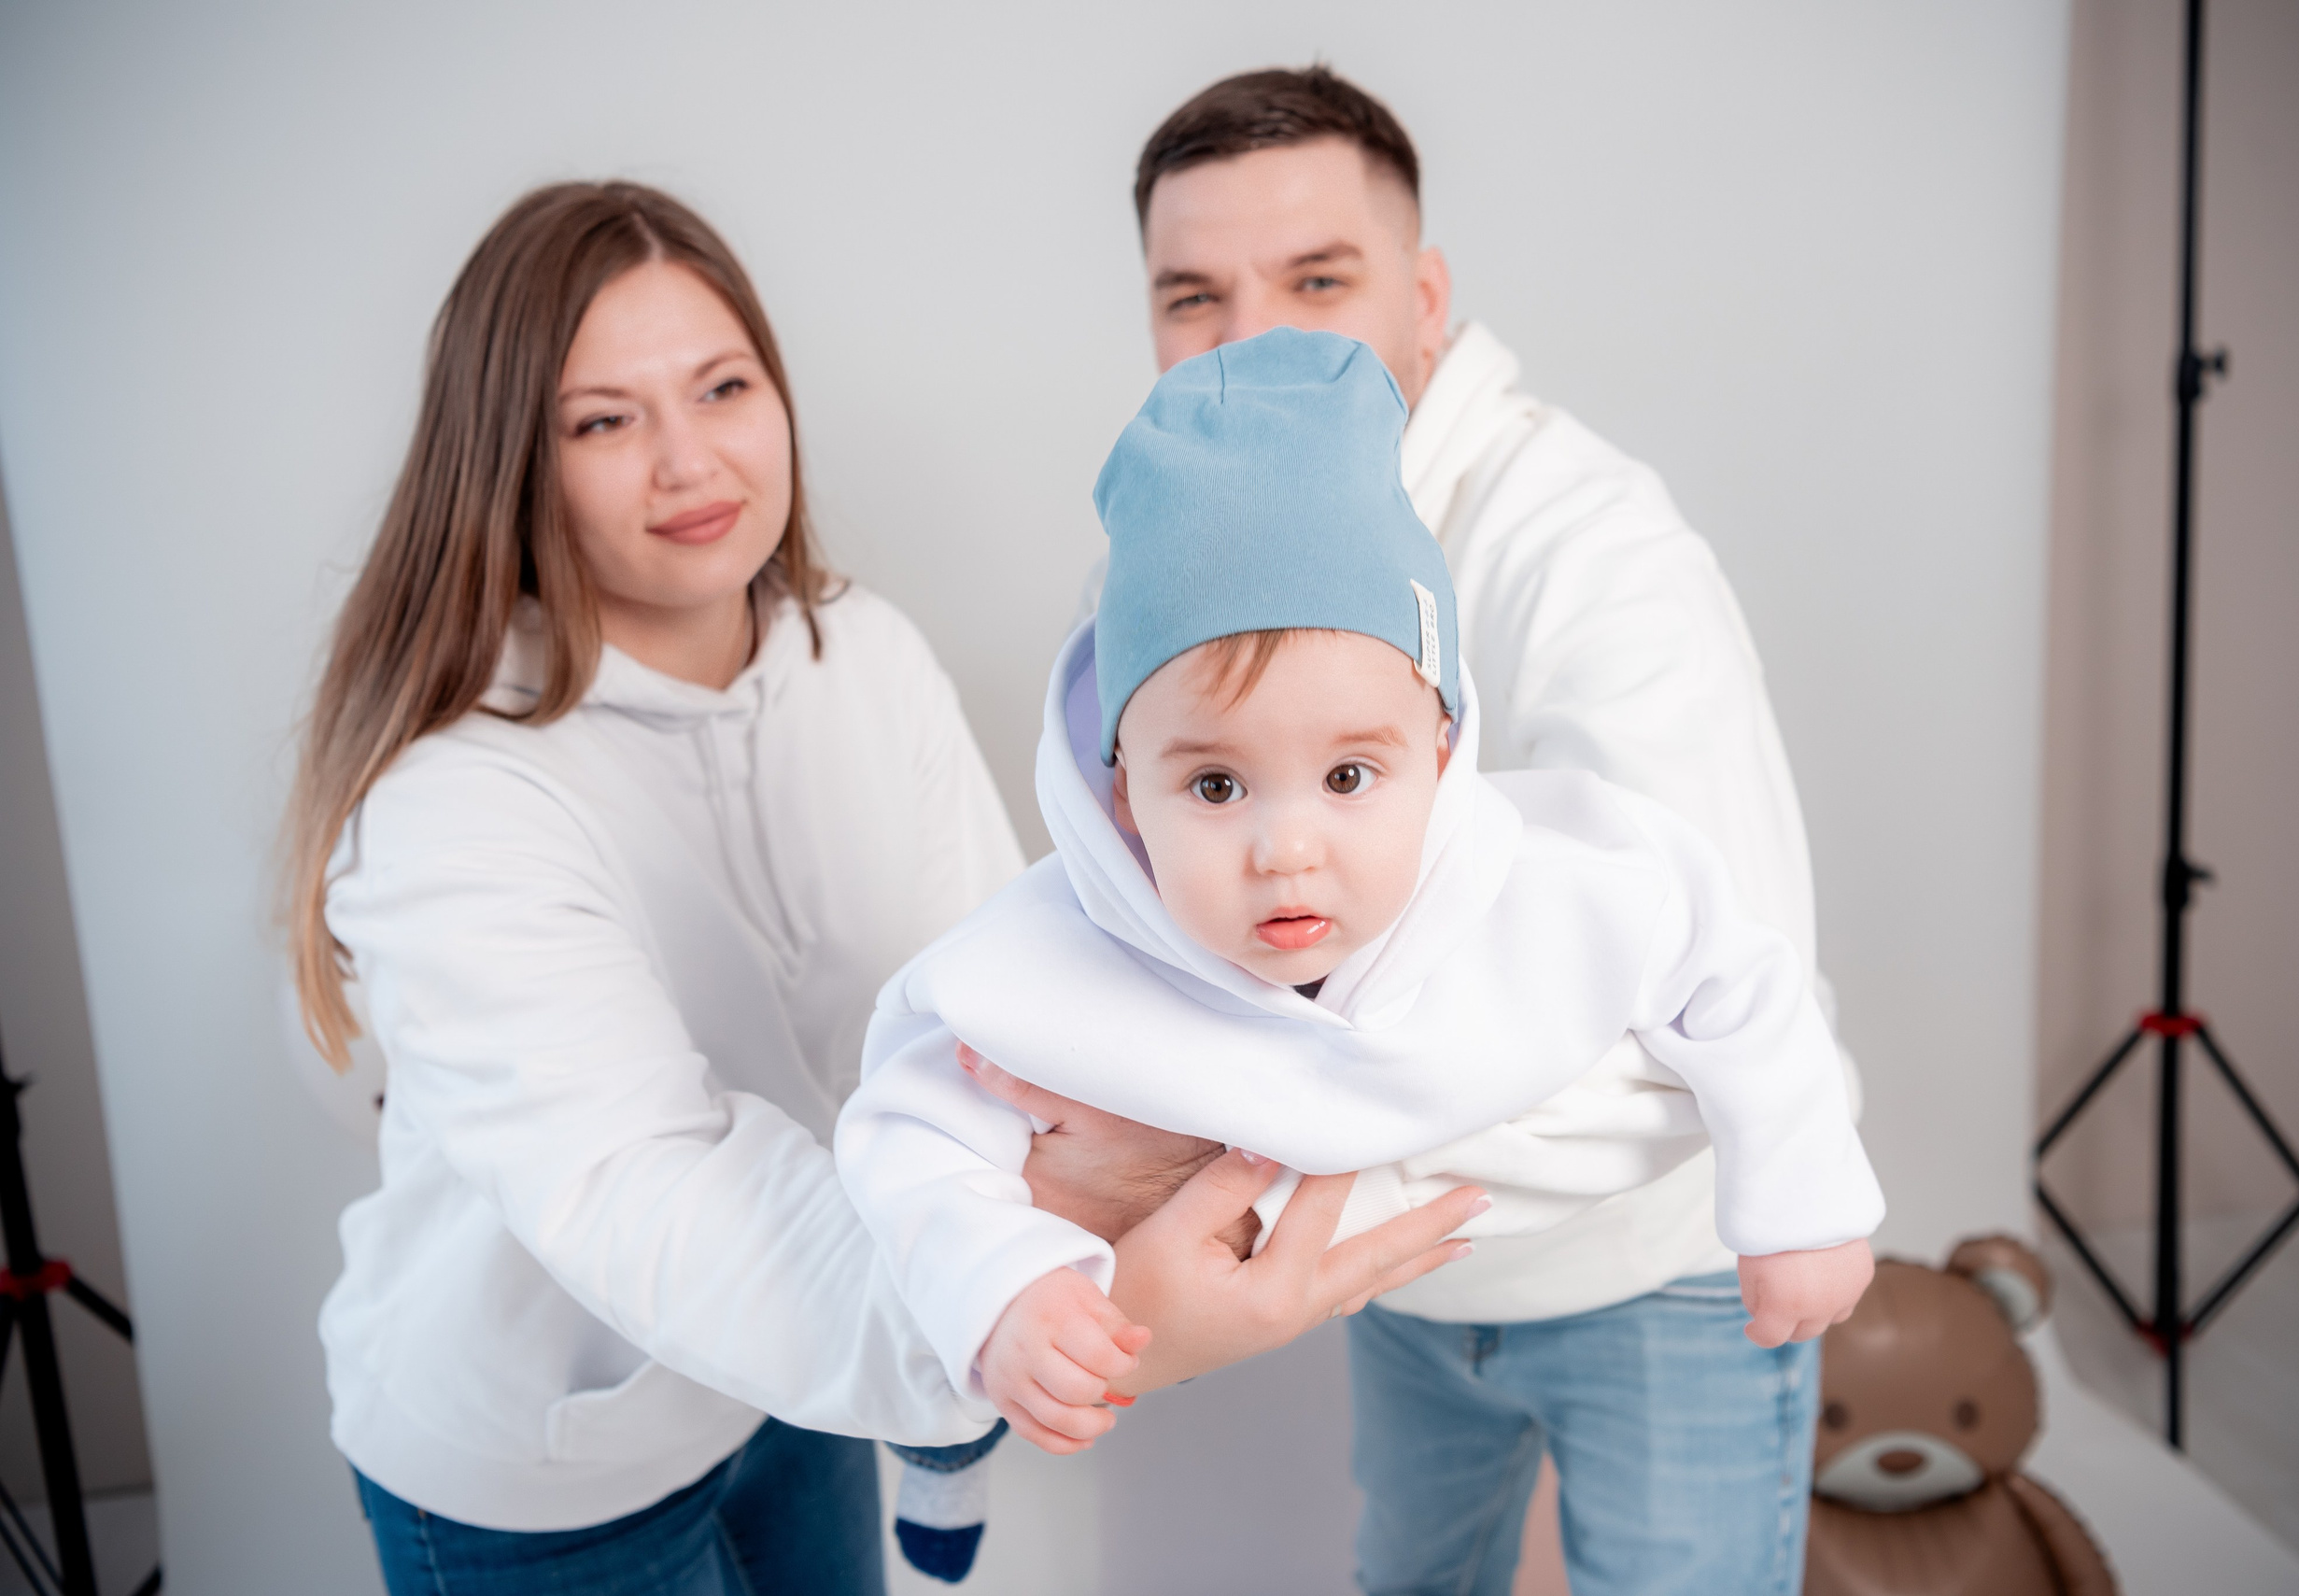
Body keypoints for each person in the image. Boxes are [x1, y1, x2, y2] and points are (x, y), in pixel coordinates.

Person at [283, 180, 1476, 1596]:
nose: (688, 460)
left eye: (724, 386)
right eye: (604, 420)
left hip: (801, 1384)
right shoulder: (455, 801)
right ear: (509, 464)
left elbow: (1002, 1015)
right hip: (545, 1468)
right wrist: (1058, 1309)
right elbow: (645, 1182)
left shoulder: (862, 654)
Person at [999, 67, 1857, 1594]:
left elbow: (1715, 995)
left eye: (1317, 279)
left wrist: (1241, 1172)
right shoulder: (1167, 561)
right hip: (1399, 1286)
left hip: (1647, 1265)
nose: (1253, 337)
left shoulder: (1596, 550)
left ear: (1427, 296)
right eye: (1194, 295)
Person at [839, 329, 1879, 1578]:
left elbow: (1740, 971)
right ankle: (944, 1458)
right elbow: (906, 1124)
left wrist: (1800, 1192)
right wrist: (1003, 1288)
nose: (1288, 849)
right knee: (1408, 1561)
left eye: (1348, 773)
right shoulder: (1055, 955)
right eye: (1215, 783)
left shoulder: (1551, 880)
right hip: (1413, 1312)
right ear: (1122, 799)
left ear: (1441, 753)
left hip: (1648, 1277)